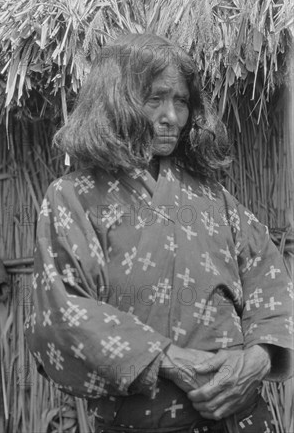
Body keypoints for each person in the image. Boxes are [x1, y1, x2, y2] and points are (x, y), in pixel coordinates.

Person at [26, 33, 293, 433]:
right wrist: (168, 359)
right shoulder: (74, 197)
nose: (172, 116)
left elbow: (269, 282)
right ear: (116, 101)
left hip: (242, 418)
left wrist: (257, 360)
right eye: (155, 99)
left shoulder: (213, 197)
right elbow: (64, 311)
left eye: (181, 101)